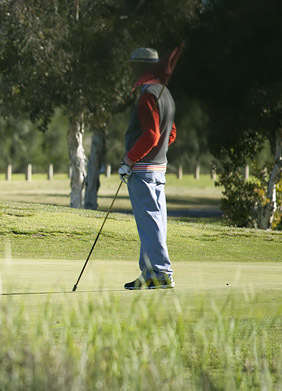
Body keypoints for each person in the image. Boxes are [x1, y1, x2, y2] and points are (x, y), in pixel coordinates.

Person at [118, 48, 177, 290]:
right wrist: (157, 153)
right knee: (154, 221)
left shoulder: (147, 95)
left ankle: (161, 273)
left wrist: (129, 161)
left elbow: (152, 135)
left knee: (150, 222)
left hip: (142, 169)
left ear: (141, 68)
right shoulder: (166, 94)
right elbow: (170, 134)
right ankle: (149, 273)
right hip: (158, 167)